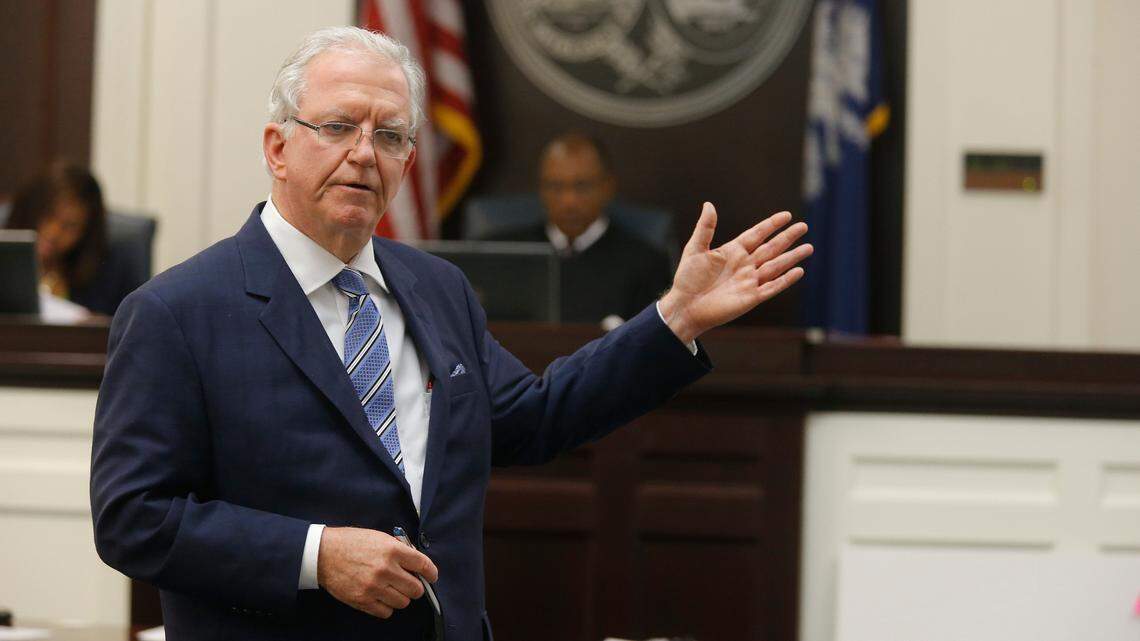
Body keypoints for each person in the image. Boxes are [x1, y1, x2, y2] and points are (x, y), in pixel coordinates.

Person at [89, 27, 812, 641]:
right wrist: (314, 555)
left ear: (408, 162)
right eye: (338, 127)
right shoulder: (176, 312)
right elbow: (132, 518)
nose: (364, 152)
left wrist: (674, 319)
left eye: (390, 135)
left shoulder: (438, 290)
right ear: (278, 147)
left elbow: (533, 418)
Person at [489, 133, 673, 324]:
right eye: (556, 187)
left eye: (582, 186)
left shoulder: (646, 264)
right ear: (541, 189)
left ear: (608, 187)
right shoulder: (503, 254)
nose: (569, 201)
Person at [5, 161, 142, 316]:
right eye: (48, 215)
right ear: (30, 209)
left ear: (86, 233)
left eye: (70, 226)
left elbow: (131, 323)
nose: (53, 233)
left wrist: (98, 325)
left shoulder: (111, 270)